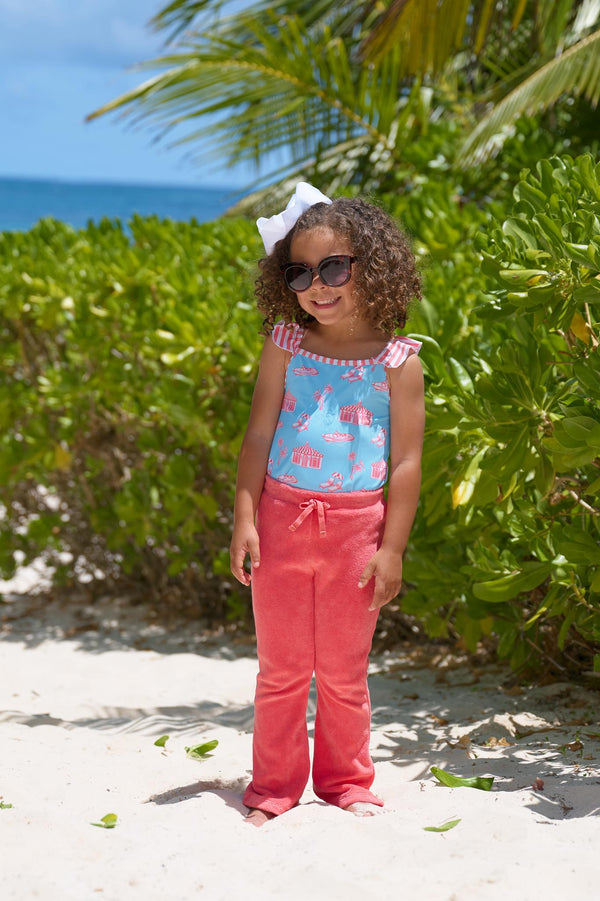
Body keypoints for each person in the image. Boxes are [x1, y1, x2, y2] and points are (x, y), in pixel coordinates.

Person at [230, 183, 425, 827]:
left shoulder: (399, 361)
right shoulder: (284, 343)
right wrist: (244, 519)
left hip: (356, 534)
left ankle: (345, 782)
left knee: (344, 671)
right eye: (300, 272)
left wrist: (391, 548)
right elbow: (258, 434)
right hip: (282, 524)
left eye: (335, 267)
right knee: (281, 669)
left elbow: (405, 462)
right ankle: (274, 788)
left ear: (374, 265)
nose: (319, 284)